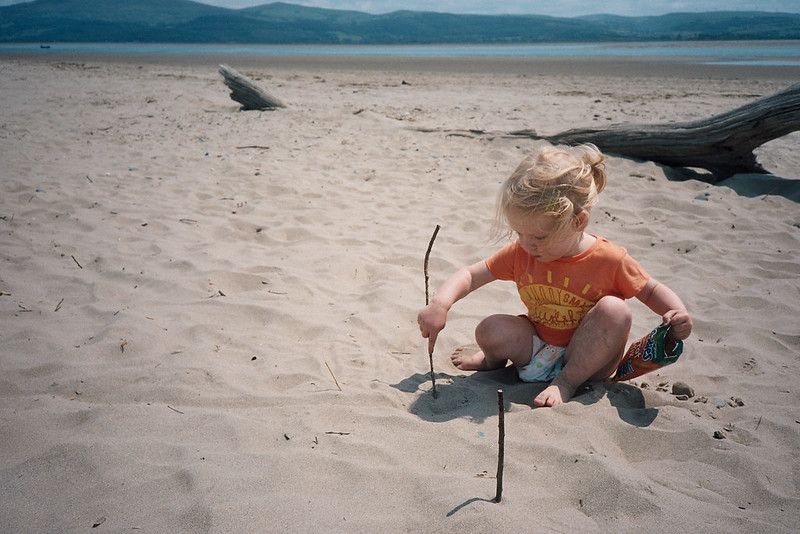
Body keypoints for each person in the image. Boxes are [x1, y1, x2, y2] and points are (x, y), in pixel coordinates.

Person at [417, 144, 692, 407]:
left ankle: (565, 383)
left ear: (578, 221)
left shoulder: (609, 259)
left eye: (539, 236)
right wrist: (440, 304)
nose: (527, 244)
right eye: (519, 233)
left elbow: (651, 290)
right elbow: (471, 274)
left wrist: (676, 313)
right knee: (490, 329)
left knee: (615, 311)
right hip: (537, 350)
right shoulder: (523, 252)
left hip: (588, 360)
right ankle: (491, 363)